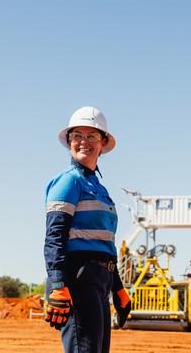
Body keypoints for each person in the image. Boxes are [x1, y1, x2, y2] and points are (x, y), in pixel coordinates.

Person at [44, 107, 132, 352]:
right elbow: (55, 236)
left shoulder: (98, 187)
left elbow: (103, 243)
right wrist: (59, 285)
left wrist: (118, 287)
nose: (84, 142)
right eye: (77, 136)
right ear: (69, 141)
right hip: (77, 278)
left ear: (102, 143)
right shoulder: (69, 180)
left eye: (91, 136)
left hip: (100, 279)